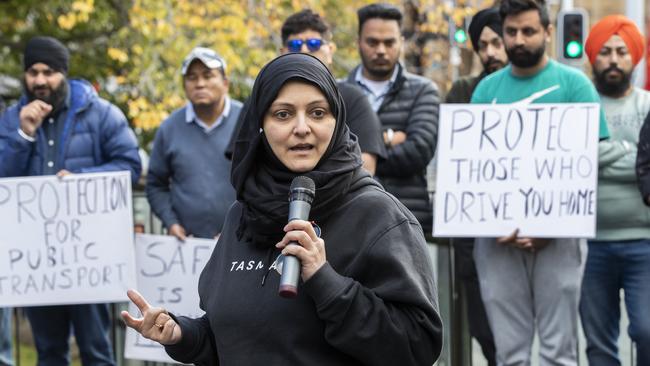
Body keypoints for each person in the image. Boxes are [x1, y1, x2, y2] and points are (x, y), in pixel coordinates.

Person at [122, 53, 443, 365]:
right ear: (260, 125)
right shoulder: (243, 214)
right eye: (283, 114)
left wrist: (325, 281)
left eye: (317, 113)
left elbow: (417, 346)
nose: (301, 127)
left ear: (338, 120)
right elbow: (234, 337)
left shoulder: (378, 216)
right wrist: (183, 335)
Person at [469, 0, 610, 364]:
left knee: (559, 351)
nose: (519, 40)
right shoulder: (486, 91)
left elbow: (588, 166)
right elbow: (475, 167)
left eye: (529, 31)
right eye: (511, 32)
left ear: (548, 32)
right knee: (509, 352)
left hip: (560, 238)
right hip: (497, 237)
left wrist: (554, 224)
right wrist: (492, 219)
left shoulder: (575, 85)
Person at [0, 36, 141, 365]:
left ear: (63, 73)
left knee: (96, 350)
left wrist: (82, 180)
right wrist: (23, 135)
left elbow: (130, 166)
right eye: (32, 72)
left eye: (48, 72)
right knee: (49, 352)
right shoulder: (11, 119)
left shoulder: (101, 114)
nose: (39, 80)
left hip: (87, 258)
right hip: (36, 263)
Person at [582, 15, 650, 366]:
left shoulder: (647, 105)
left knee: (647, 331)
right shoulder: (581, 102)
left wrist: (599, 156)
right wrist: (633, 154)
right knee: (598, 342)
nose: (612, 59)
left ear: (634, 57)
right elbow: (576, 161)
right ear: (593, 57)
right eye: (605, 51)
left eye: (621, 51)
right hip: (589, 244)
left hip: (645, 241)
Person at [445, 8, 507, 366]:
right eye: (482, 45)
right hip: (476, 229)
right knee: (484, 329)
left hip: (531, 229)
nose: (490, 53)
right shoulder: (464, 90)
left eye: (497, 42)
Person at [346, 3, 439, 234]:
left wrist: (360, 155)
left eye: (389, 42)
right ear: (359, 41)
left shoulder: (423, 90)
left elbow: (418, 151)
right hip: (349, 219)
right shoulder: (337, 92)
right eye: (372, 42)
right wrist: (387, 138)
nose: (381, 50)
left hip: (407, 220)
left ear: (401, 42)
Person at [146, 47, 241, 240]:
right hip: (187, 248)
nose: (200, 84)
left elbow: (265, 182)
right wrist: (170, 222)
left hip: (241, 242)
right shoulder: (169, 128)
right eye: (192, 77)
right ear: (184, 85)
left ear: (225, 83)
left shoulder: (247, 121)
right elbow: (156, 185)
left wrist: (243, 225)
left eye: (208, 76)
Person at [280, 9, 386, 175]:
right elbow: (243, 161)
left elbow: (365, 167)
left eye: (314, 44)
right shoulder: (263, 99)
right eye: (295, 45)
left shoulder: (353, 99)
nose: (305, 51)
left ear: (329, 51)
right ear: (282, 52)